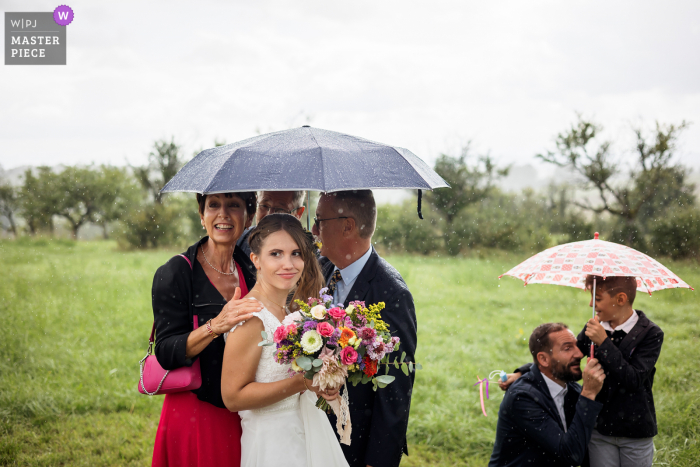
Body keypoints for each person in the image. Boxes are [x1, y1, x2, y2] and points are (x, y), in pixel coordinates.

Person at [221, 213, 349, 467]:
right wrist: (303, 382)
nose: (288, 264)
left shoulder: (291, 313)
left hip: (306, 434)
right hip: (272, 446)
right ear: (256, 259)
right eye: (276, 254)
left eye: (296, 253)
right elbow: (233, 397)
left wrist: (324, 381)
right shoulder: (251, 317)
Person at [500, 275, 664, 467]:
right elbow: (566, 361)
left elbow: (634, 379)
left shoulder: (650, 333)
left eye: (598, 298)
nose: (591, 304)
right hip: (599, 428)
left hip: (636, 431)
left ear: (620, 299)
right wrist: (524, 372)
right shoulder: (593, 328)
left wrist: (604, 342)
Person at [150, 192, 264, 467]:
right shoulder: (177, 272)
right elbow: (165, 351)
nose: (223, 214)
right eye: (213, 205)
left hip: (244, 408)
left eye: (234, 205)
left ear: (248, 217)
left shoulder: (251, 267)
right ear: (202, 216)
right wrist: (216, 326)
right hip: (196, 413)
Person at [312, 190, 417, 467]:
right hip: (312, 430)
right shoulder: (320, 268)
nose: (313, 230)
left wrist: (377, 461)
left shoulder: (391, 293)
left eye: (319, 220)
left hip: (354, 442)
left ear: (347, 225)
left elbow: (395, 387)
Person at [489, 323, 606, 467]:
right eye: (567, 348)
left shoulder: (571, 389)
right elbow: (571, 454)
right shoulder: (522, 398)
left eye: (576, 346)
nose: (580, 354)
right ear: (543, 359)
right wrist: (588, 394)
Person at [237, 190, 306, 257]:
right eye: (264, 206)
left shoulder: (308, 255)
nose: (268, 215)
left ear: (298, 213)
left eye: (280, 209)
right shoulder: (238, 242)